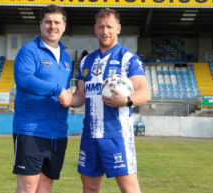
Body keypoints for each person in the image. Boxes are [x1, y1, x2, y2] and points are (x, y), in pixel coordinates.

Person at [70, 8, 151, 193]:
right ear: (95, 29)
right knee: (89, 189)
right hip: (90, 136)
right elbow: (80, 97)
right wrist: (67, 98)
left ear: (118, 29)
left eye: (109, 27)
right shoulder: (86, 62)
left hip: (117, 136)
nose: (105, 31)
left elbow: (145, 92)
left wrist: (126, 100)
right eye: (101, 27)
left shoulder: (128, 59)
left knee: (129, 189)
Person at [12, 5, 72, 193]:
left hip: (58, 133)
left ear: (64, 26)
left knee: (46, 185)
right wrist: (58, 91)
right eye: (48, 22)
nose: (52, 26)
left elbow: (66, 91)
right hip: (31, 130)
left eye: (57, 22)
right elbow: (24, 80)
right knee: (28, 186)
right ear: (40, 25)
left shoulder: (66, 58)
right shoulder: (29, 51)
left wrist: (69, 96)